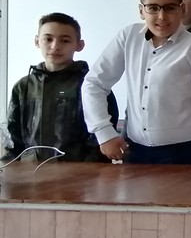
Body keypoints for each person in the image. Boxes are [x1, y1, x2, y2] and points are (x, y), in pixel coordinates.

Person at [82, 0, 191, 165]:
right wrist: (104, 133)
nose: (161, 16)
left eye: (170, 8)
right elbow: (94, 83)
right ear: (141, 11)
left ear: (181, 9)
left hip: (184, 151)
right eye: (153, 8)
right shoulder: (128, 37)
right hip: (135, 150)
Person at [1, 13, 118, 163]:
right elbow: (14, 137)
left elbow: (103, 135)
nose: (55, 46)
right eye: (48, 39)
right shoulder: (23, 86)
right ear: (37, 41)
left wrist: (89, 168)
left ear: (79, 45)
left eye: (65, 40)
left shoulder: (92, 85)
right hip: (32, 170)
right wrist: (11, 166)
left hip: (81, 171)